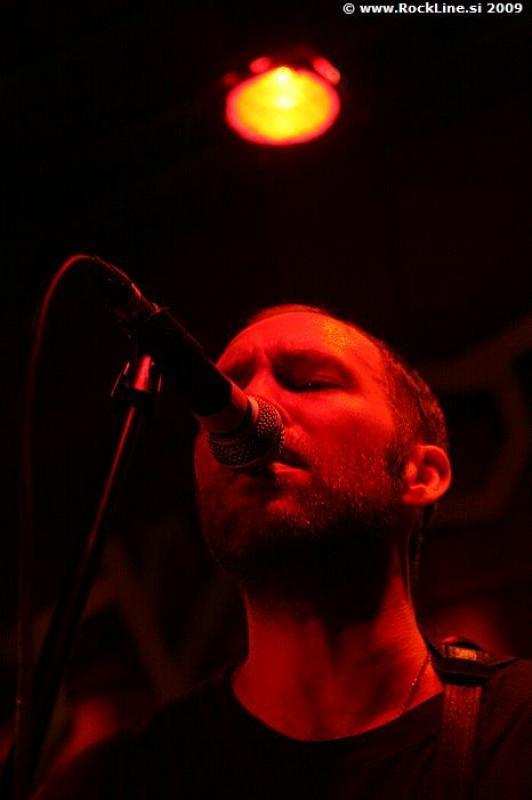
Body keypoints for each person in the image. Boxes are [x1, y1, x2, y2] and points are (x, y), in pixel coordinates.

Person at [34, 305, 531, 799]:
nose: (249, 407)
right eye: (220, 392)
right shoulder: (106, 786)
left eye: (309, 382)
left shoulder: (516, 734)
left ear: (420, 474)